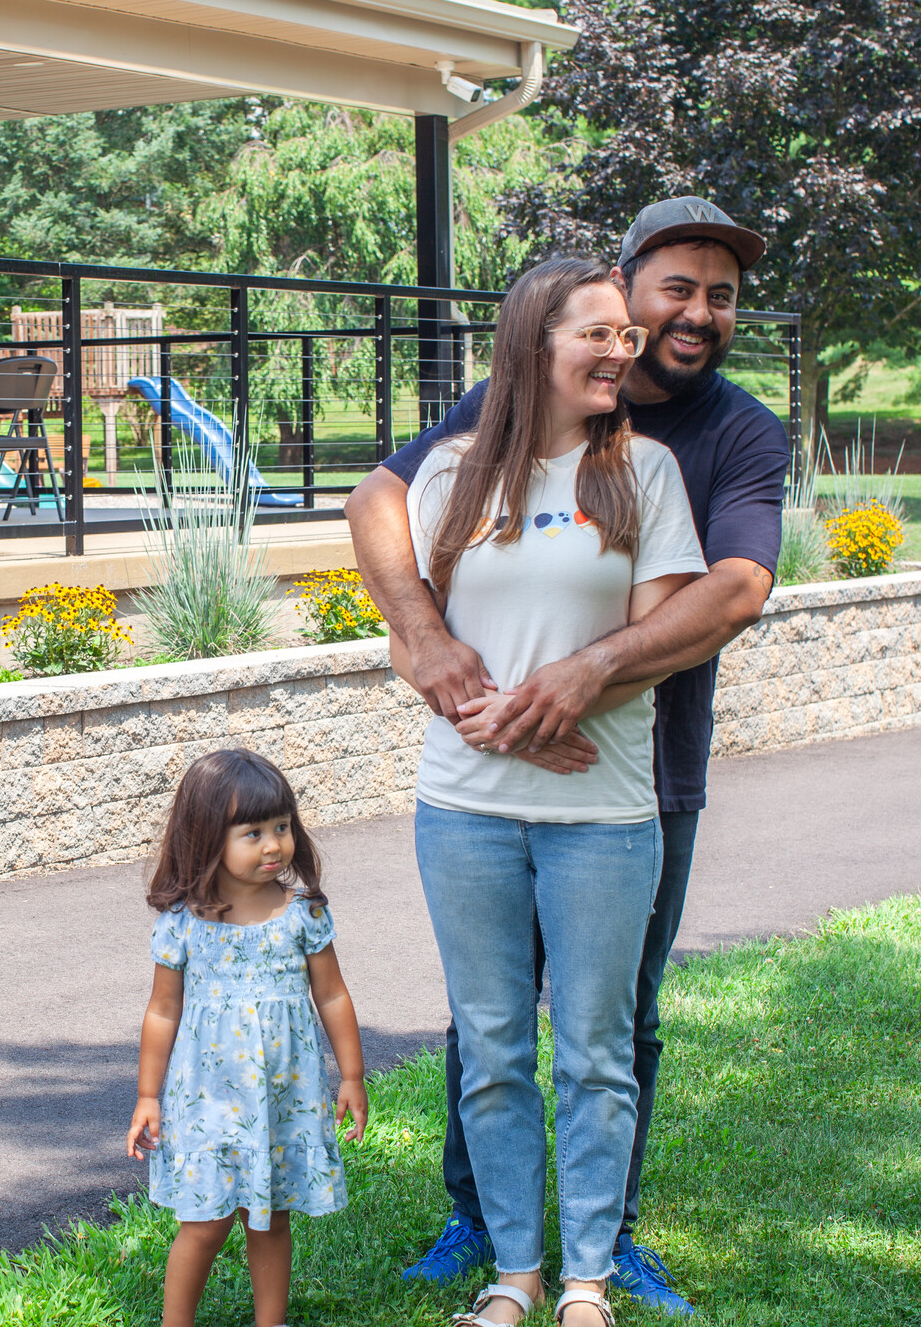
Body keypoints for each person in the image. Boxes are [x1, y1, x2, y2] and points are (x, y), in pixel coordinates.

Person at [347, 198, 788, 1316]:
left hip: (637, 774)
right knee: (487, 1029)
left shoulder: (711, 442)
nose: (687, 318)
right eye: (667, 294)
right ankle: (492, 1239)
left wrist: (572, 689)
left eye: (718, 298)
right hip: (470, 795)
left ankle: (602, 1252)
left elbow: (731, 590)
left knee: (612, 1025)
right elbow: (381, 507)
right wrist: (429, 650)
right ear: (616, 291)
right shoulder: (481, 432)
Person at [392, 256, 708, 1327]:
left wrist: (536, 714)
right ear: (534, 344)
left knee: (592, 1051)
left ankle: (584, 1281)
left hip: (604, 817)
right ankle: (512, 1274)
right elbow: (417, 643)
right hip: (463, 810)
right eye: (599, 334)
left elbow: (650, 645)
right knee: (486, 1045)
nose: (622, 350)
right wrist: (504, 728)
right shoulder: (446, 477)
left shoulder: (644, 475)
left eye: (626, 335)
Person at [127, 748, 369, 1327]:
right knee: (205, 1222)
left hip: (282, 1100)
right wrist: (147, 1095)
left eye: (282, 828)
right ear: (207, 837)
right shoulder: (185, 923)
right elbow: (162, 1011)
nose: (273, 846)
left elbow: (332, 995)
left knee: (272, 1217)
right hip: (208, 1100)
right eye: (253, 832)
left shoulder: (302, 915)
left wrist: (352, 1076)